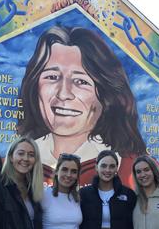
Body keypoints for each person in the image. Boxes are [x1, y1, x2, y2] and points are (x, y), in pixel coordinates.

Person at [18, 26, 146, 185]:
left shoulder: (137, 171)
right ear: (35, 87)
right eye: (52, 77)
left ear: (106, 95)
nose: (63, 93)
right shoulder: (10, 166)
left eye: (81, 81)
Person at [0, 136, 44, 229]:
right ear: (11, 157)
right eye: (21, 153)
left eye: (31, 155)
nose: (26, 158)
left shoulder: (31, 189)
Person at [79, 150, 136, 229]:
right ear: (96, 167)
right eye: (103, 166)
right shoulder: (83, 194)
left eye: (112, 166)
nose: (107, 170)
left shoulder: (128, 194)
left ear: (117, 168)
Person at [132, 155, 159, 229]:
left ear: (154, 171)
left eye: (146, 170)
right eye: (138, 172)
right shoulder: (133, 198)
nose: (143, 174)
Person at [42, 153, 82, 228]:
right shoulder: (44, 195)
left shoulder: (77, 198)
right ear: (57, 171)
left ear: (77, 175)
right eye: (64, 169)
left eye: (74, 171)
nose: (69, 175)